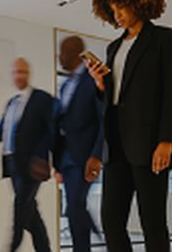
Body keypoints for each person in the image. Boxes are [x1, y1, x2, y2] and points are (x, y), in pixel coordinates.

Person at [83, 0, 172, 252]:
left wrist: (167, 140)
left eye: (121, 8)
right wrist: (100, 84)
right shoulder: (113, 47)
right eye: (112, 10)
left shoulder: (165, 38)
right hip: (115, 145)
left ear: (138, 2)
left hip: (150, 144)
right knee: (111, 222)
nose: (117, 16)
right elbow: (113, 97)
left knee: (153, 222)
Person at [0, 58, 57, 252]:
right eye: (15, 72)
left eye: (22, 72)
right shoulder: (12, 103)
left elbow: (52, 131)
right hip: (12, 165)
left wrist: (50, 160)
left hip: (32, 165)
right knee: (31, 215)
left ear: (29, 74)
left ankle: (11, 247)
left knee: (20, 209)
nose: (18, 76)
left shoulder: (41, 99)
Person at [52, 36, 107, 251]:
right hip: (66, 158)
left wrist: (97, 155)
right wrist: (57, 165)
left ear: (76, 54)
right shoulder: (65, 86)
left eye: (63, 52)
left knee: (74, 206)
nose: (59, 57)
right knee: (74, 206)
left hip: (85, 157)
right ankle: (94, 236)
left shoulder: (92, 81)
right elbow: (61, 127)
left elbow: (102, 119)